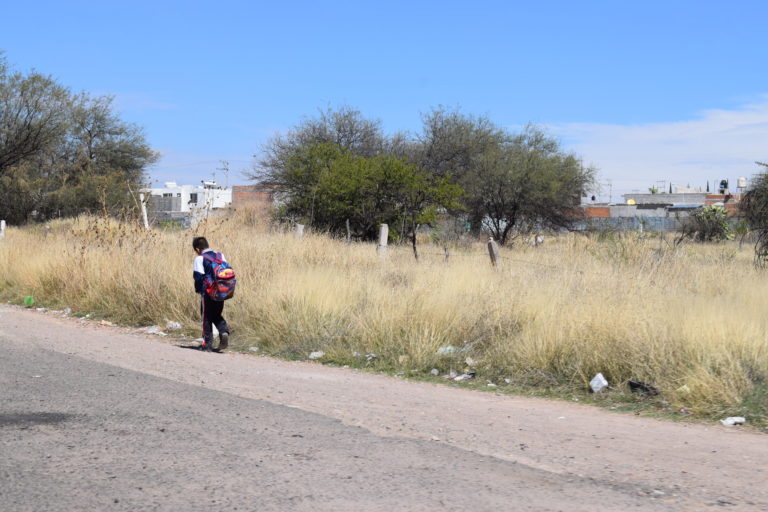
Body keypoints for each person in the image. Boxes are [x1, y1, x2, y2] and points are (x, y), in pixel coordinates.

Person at [192, 236, 230, 351]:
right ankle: (224, 332)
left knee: (207, 316)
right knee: (216, 314)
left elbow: (198, 277)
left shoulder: (200, 259)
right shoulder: (220, 255)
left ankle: (207, 344)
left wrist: (198, 290)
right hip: (222, 290)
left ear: (198, 249)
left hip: (208, 292)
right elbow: (225, 271)